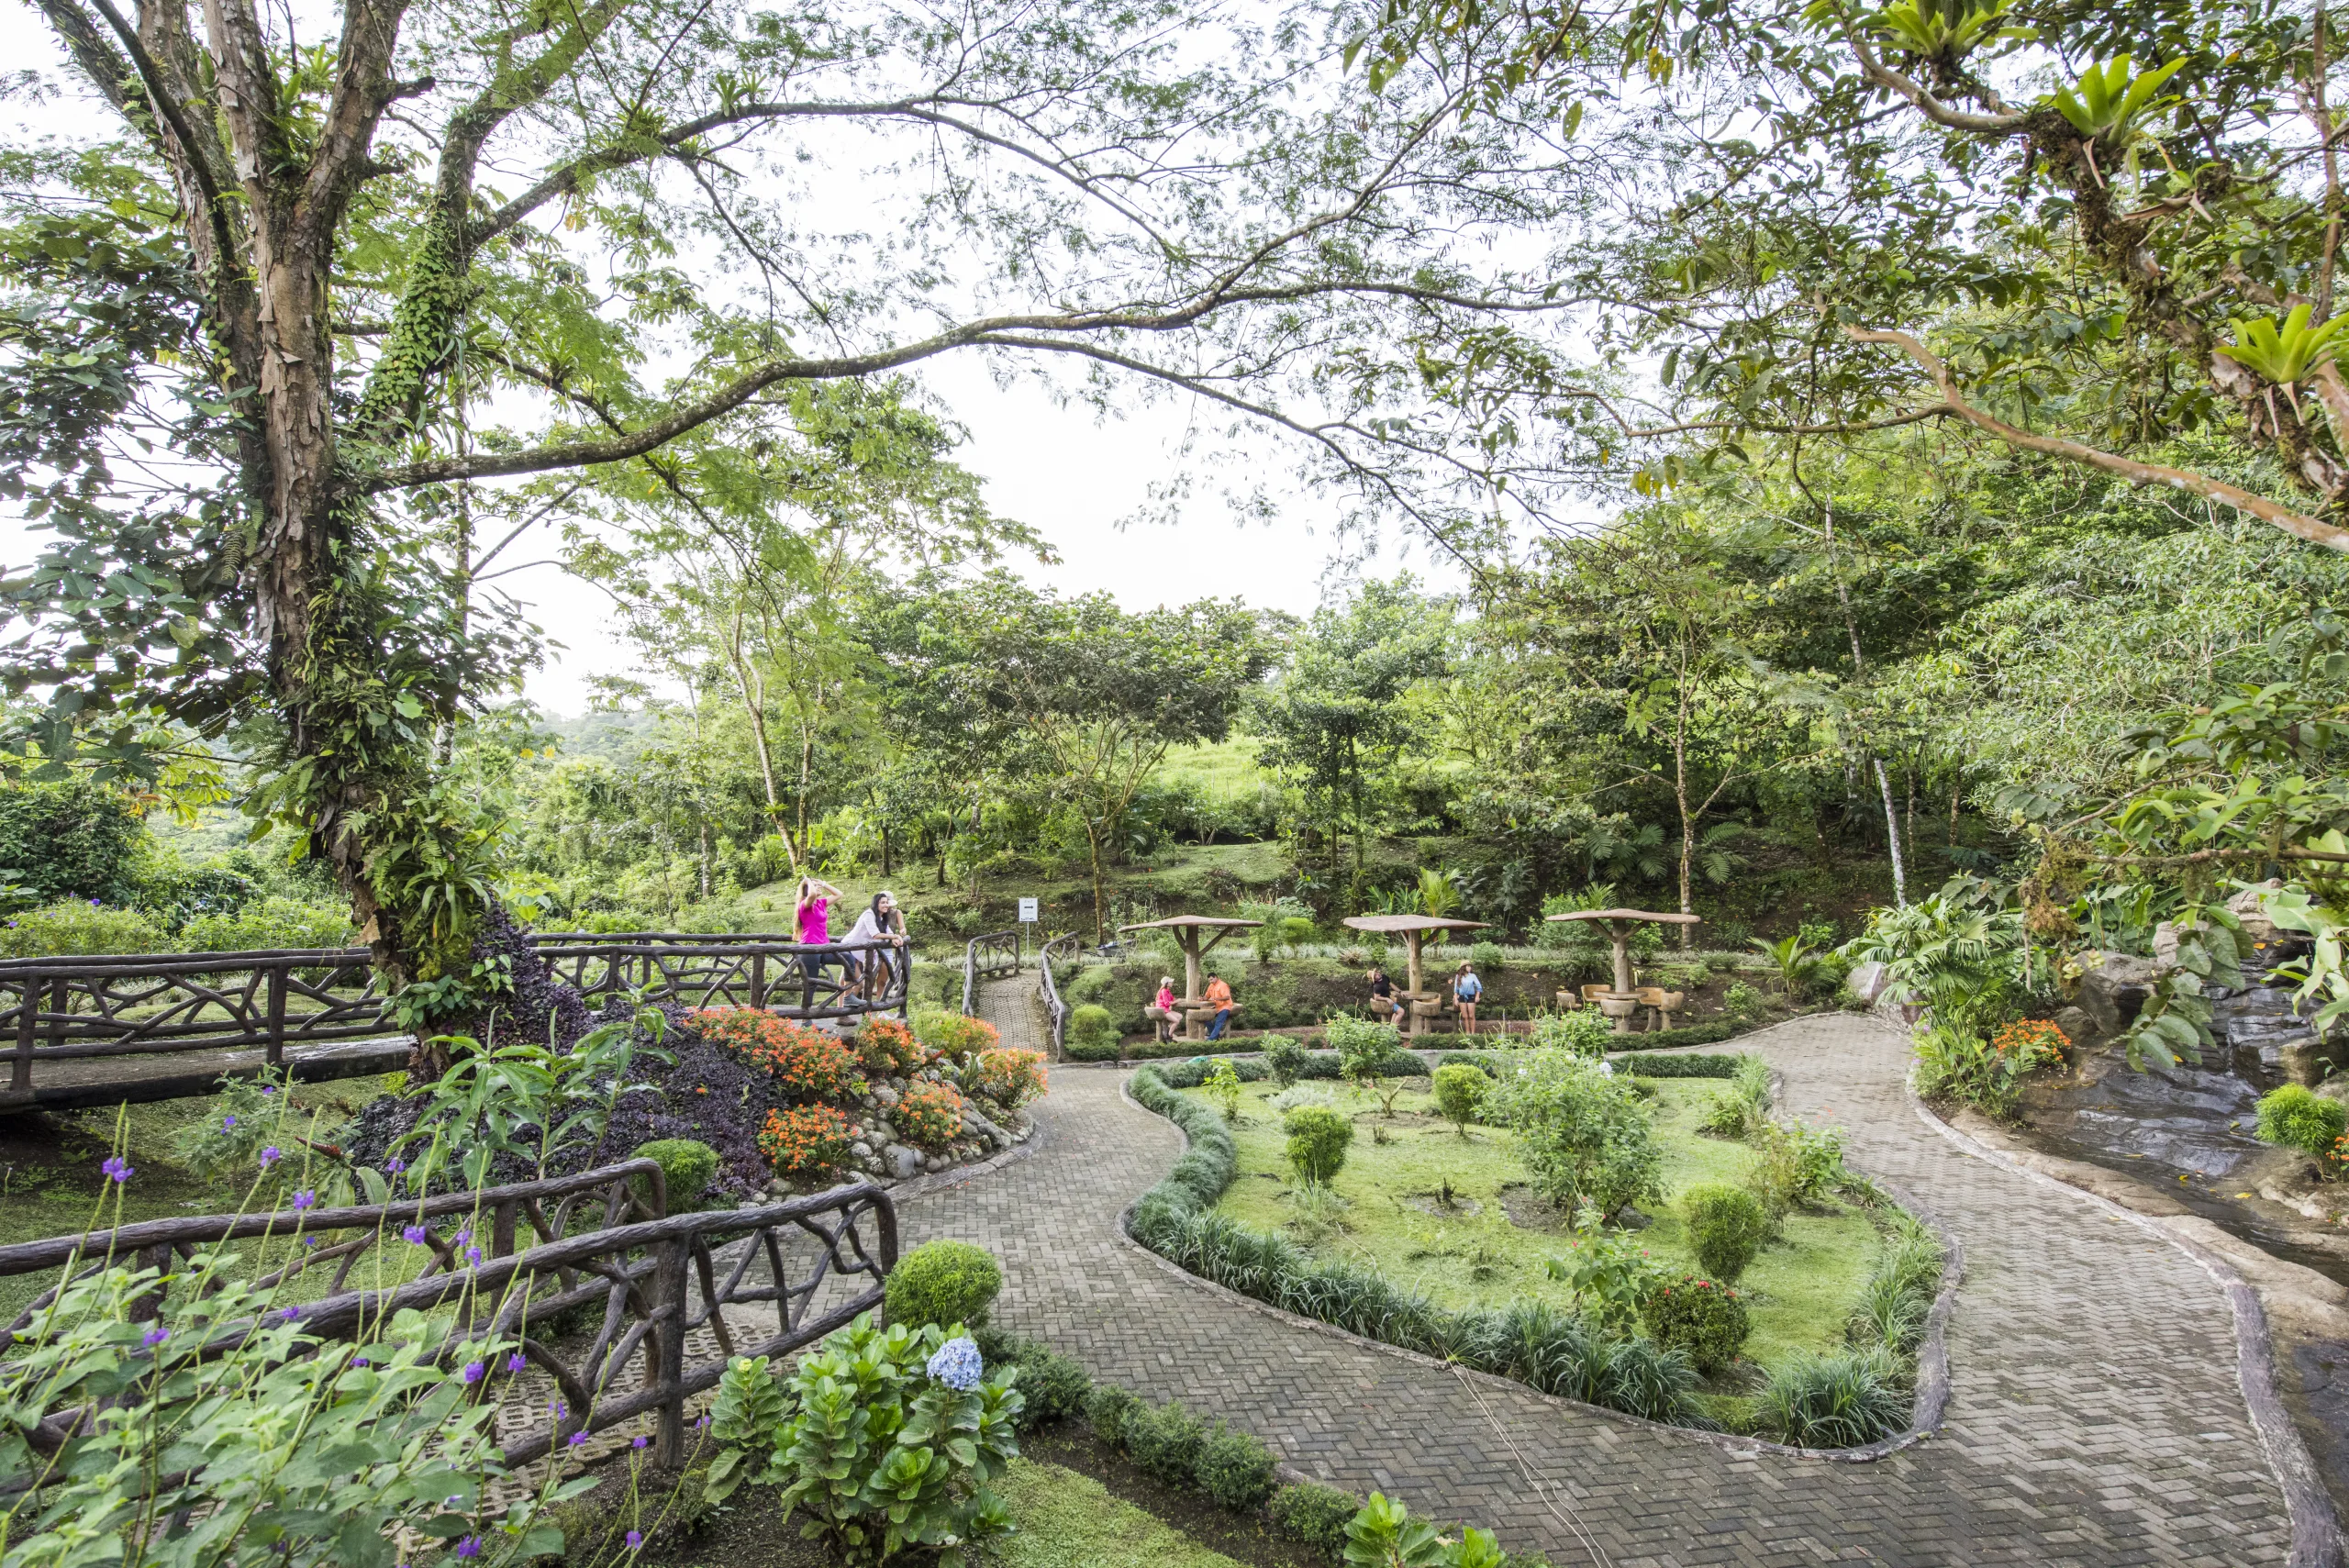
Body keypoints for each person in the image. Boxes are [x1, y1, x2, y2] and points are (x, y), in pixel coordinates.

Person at [846, 892, 907, 1000]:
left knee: (861, 983)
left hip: (861, 952)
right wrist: (893, 937)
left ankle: (852, 1008)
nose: (886, 905)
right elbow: (876, 935)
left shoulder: (882, 918)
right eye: (882, 903)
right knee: (858, 984)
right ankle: (845, 1008)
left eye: (887, 903)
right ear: (876, 904)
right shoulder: (869, 914)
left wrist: (896, 937)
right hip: (849, 950)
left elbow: (888, 932)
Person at [796, 876, 845, 977]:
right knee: (811, 983)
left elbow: (839, 894)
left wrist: (823, 884)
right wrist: (808, 881)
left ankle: (849, 992)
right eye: (815, 886)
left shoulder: (821, 903)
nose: (818, 887)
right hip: (810, 946)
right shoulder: (804, 905)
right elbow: (812, 894)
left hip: (823, 946)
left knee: (849, 959)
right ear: (808, 890)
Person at [1146, 976, 1180, 1043]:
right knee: (1176, 1021)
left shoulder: (1167, 990)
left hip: (1165, 1009)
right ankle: (1169, 1036)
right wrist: (1177, 1001)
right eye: (1170, 982)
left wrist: (1177, 1000)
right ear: (1167, 983)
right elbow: (1167, 1003)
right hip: (1162, 1010)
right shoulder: (1164, 991)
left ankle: (1168, 1029)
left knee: (1180, 1016)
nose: (1172, 982)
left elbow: (1172, 998)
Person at [1203, 973, 1235, 1041]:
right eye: (1209, 980)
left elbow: (1227, 997)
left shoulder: (1223, 985)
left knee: (1218, 1022)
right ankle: (1215, 1036)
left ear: (1216, 977)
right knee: (1205, 1018)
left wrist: (1216, 998)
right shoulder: (1211, 985)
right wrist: (1202, 998)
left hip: (1225, 1007)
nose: (1210, 981)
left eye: (1211, 979)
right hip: (1216, 1007)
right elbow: (1207, 996)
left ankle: (1211, 1039)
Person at [1453, 961, 1483, 1035]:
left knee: (1471, 1015)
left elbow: (1479, 987)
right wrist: (1456, 999)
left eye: (1470, 966)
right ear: (1463, 967)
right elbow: (1456, 990)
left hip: (1471, 997)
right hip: (1462, 997)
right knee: (1464, 1016)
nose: (1469, 968)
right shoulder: (1458, 976)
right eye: (1468, 966)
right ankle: (1467, 1032)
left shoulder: (1473, 976)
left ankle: (1473, 1033)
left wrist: (1477, 996)